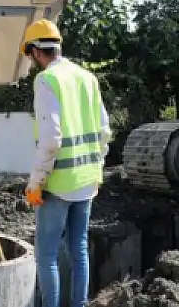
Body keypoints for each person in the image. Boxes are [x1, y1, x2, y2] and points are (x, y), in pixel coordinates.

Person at [19, 18, 112, 307]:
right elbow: (104, 130)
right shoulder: (87, 78)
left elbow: (51, 140)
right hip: (87, 180)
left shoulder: (47, 80)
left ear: (36, 51)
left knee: (46, 255)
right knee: (79, 249)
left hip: (58, 184)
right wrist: (97, 167)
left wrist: (36, 183)